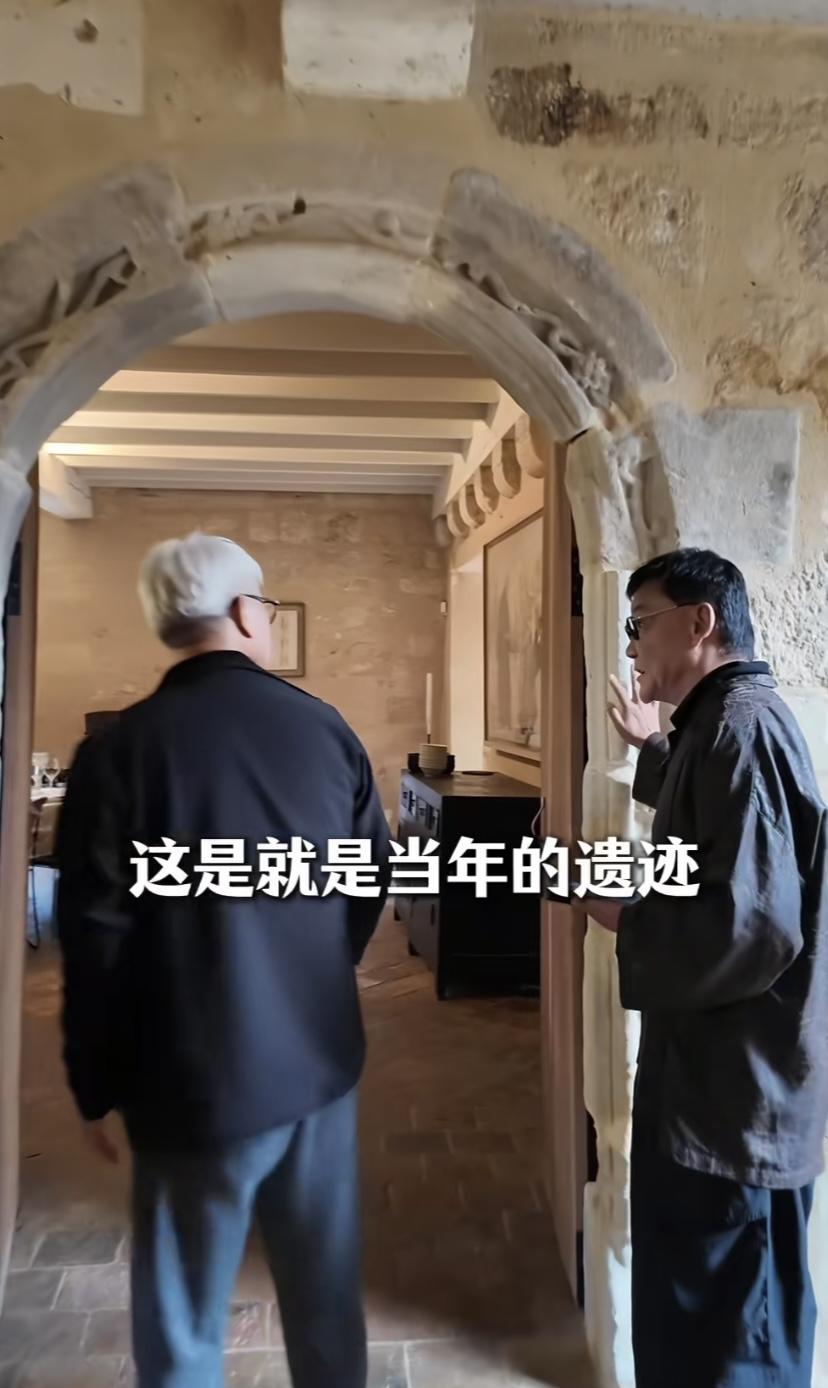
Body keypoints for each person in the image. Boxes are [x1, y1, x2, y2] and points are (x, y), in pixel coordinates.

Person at [56, 532, 391, 1388]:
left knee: (182, 1318)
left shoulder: (117, 752)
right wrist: (318, 972)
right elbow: (370, 875)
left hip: (183, 1078)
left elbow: (93, 936)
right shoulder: (323, 730)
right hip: (316, 1065)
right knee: (325, 1299)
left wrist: (93, 1082)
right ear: (246, 613)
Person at [587, 547, 828, 1388]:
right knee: (694, 1332)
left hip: (737, 1110)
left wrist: (615, 910)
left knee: (734, 1348)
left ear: (701, 621)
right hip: (712, 1093)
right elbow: (717, 832)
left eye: (640, 624)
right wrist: (654, 750)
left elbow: (753, 926)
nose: (630, 646)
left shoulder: (743, 727)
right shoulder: (716, 723)